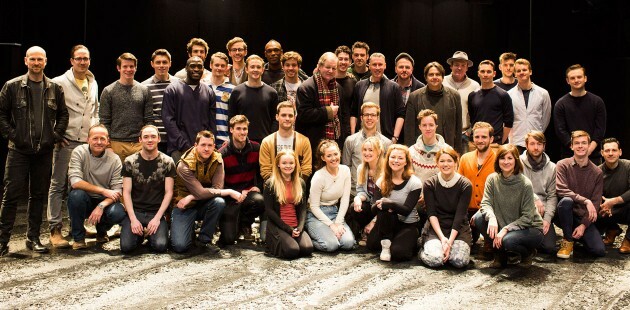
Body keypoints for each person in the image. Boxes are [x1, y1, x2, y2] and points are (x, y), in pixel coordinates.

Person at [0, 46, 69, 255]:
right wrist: (15, 136)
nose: (36, 63)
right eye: (33, 59)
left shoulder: (55, 88)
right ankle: (2, 241)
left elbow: (64, 115)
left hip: (43, 151)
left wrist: (54, 137)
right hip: (18, 151)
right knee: (11, 195)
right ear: (26, 61)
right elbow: (1, 116)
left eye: (40, 59)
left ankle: (33, 238)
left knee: (37, 195)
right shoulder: (11, 86)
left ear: (46, 61)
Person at [47, 44, 98, 248]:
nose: (83, 62)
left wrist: (94, 133)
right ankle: (55, 228)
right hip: (66, 140)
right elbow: (49, 111)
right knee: (58, 184)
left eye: (86, 58)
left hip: (85, 141)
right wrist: (56, 134)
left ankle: (76, 225)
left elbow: (95, 110)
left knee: (76, 186)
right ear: (71, 61)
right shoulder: (59, 82)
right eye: (79, 58)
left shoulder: (92, 81)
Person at [473, 144, 543, 267]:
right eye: (502, 158)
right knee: (479, 218)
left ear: (516, 160)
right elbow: (486, 203)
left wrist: (506, 229)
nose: (506, 162)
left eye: (510, 158)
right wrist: (492, 218)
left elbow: (527, 218)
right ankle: (500, 255)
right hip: (503, 223)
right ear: (498, 160)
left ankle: (527, 254)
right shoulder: (492, 179)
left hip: (529, 228)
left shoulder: (525, 184)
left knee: (508, 241)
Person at [170, 130, 240, 253]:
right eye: (203, 145)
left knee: (219, 202)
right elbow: (202, 193)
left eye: (210, 145)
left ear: (214, 146)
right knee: (180, 246)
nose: (206, 149)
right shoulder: (184, 165)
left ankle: (204, 240)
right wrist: (229, 191)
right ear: (195, 145)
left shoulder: (217, 159)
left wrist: (191, 196)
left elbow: (217, 190)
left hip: (203, 203)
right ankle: (188, 230)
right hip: (184, 206)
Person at [66, 124, 126, 250]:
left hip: (104, 201)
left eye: (102, 139)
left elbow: (117, 191)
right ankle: (78, 238)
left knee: (118, 212)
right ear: (88, 139)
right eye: (95, 138)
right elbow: (75, 182)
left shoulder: (114, 159)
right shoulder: (79, 152)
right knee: (76, 195)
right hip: (85, 198)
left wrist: (101, 205)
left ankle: (101, 232)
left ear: (108, 141)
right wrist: (103, 190)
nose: (99, 142)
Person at [120, 125, 175, 253]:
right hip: (136, 211)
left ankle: (150, 234)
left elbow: (169, 192)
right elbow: (126, 193)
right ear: (140, 140)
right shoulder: (130, 162)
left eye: (153, 137)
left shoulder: (168, 162)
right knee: (127, 247)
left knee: (160, 246)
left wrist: (157, 219)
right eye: (146, 137)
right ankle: (139, 234)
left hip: (156, 212)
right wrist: (133, 219)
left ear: (159, 139)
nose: (149, 140)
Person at [419, 147, 472, 268]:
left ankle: (452, 249)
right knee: (436, 260)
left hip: (458, 229)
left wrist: (450, 241)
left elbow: (460, 216)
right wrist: (443, 239)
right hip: (436, 229)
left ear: (455, 162)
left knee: (459, 261)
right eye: (442, 161)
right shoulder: (429, 183)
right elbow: (431, 213)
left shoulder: (465, 185)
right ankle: (423, 248)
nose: (445, 164)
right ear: (437, 163)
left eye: (449, 161)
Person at [367, 144, 422, 261]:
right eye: (392, 157)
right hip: (388, 222)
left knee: (399, 253)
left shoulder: (414, 183)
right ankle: (386, 244)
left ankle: (411, 241)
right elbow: (373, 209)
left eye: (400, 158)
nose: (396, 161)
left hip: (408, 224)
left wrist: (389, 204)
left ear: (406, 162)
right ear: (388, 160)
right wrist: (382, 205)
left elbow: (406, 210)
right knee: (371, 245)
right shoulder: (381, 180)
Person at [555, 130, 605, 258]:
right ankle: (568, 240)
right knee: (567, 201)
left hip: (582, 216)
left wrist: (583, 225)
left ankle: (577, 235)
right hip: (564, 213)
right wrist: (585, 200)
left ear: (589, 146)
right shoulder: (562, 165)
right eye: (577, 143)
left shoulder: (597, 172)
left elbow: (595, 202)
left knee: (598, 250)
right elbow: (561, 189)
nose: (580, 146)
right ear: (571, 146)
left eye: (584, 143)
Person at [218, 115, 264, 244]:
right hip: (230, 198)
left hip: (249, 195)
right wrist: (238, 191)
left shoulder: (256, 148)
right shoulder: (222, 153)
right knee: (228, 239)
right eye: (238, 129)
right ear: (231, 130)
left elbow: (262, 174)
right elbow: (218, 184)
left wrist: (258, 186)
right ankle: (234, 226)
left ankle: (245, 224)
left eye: (245, 129)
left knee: (260, 201)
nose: (242, 132)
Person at [99, 52, 153, 163]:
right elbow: (104, 121)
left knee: (139, 179)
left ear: (136, 68)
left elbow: (148, 119)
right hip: (116, 144)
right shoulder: (108, 91)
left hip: (139, 144)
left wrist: (147, 141)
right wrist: (108, 145)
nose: (128, 69)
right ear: (118, 68)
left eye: (131, 66)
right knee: (117, 179)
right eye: (125, 66)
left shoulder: (144, 91)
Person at [162, 56, 216, 164]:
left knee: (203, 181)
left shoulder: (209, 91)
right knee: (180, 180)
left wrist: (206, 144)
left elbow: (211, 123)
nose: (196, 69)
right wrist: (183, 145)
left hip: (203, 149)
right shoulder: (172, 89)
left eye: (199, 66)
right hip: (179, 149)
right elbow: (168, 120)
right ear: (186, 68)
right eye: (192, 66)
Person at [306, 140, 355, 252]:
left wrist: (338, 222)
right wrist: (331, 225)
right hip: (316, 215)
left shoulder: (345, 170)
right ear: (323, 158)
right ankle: (309, 239)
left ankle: (328, 234)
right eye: (329, 156)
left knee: (348, 243)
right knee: (331, 245)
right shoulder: (318, 176)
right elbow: (314, 206)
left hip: (334, 212)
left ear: (340, 153)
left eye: (335, 154)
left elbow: (345, 199)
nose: (333, 158)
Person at [264, 150, 313, 259]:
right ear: (278, 164)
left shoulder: (300, 182)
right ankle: (273, 244)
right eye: (284, 163)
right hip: (279, 226)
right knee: (292, 250)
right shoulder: (270, 184)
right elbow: (269, 211)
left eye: (291, 163)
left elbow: (303, 208)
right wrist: (288, 229)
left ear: (295, 164)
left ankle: (293, 239)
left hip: (295, 225)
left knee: (307, 248)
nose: (288, 166)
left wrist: (299, 228)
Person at [404, 62, 462, 153]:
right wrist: (409, 153)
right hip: (421, 150)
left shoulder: (454, 96)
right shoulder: (414, 97)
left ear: (442, 77)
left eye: (438, 74)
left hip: (446, 150)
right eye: (431, 74)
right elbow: (409, 129)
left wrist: (458, 153)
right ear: (426, 77)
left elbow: (458, 127)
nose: (434, 77)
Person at [458, 122, 497, 257]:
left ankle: (489, 240)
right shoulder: (465, 158)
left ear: (491, 139)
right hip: (468, 210)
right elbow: (459, 186)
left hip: (491, 210)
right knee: (466, 244)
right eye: (477, 137)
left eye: (484, 137)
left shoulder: (499, 159)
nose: (480, 140)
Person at [296, 52, 344, 161]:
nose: (330, 71)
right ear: (319, 66)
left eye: (333, 68)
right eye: (327, 67)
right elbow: (303, 115)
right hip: (312, 143)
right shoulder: (306, 87)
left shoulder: (338, 88)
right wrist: (328, 112)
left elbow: (341, 117)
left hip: (333, 142)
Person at [554, 64, 606, 163]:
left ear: (585, 78)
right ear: (567, 81)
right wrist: (577, 149)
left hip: (593, 155)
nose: (576, 80)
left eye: (579, 77)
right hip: (569, 155)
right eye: (572, 78)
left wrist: (588, 150)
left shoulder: (597, 102)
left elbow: (600, 129)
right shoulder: (561, 104)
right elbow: (560, 131)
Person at [350, 53, 405, 143]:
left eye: (380, 64)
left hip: (385, 140)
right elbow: (354, 113)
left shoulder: (394, 87)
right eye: (374, 65)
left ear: (385, 66)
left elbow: (401, 114)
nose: (377, 68)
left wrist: (395, 138)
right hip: (362, 140)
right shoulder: (360, 85)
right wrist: (353, 136)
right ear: (369, 66)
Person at [520, 131, 558, 254]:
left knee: (549, 248)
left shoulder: (552, 167)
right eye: (532, 144)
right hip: (522, 210)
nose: (536, 147)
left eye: (539, 144)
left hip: (542, 213)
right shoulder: (518, 163)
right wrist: (534, 199)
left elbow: (552, 196)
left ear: (544, 146)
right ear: (526, 145)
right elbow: (518, 188)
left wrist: (547, 219)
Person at [342, 102, 391, 197]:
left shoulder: (386, 143)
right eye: (366, 115)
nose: (369, 118)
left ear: (377, 118)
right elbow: (345, 169)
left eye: (373, 115)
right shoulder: (350, 140)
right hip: (354, 193)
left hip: (379, 194)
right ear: (361, 118)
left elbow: (389, 170)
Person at [228, 54, 279, 143]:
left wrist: (270, 138)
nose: (255, 70)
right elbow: (231, 118)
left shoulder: (272, 93)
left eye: (258, 67)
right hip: (242, 141)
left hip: (265, 142)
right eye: (252, 67)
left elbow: (275, 119)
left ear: (262, 70)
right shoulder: (236, 92)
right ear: (246, 69)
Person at [259, 101, 312, 181]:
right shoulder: (267, 142)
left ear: (294, 118)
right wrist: (279, 185)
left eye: (290, 116)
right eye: (283, 115)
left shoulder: (304, 141)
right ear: (277, 117)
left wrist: (293, 184)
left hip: (297, 187)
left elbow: (306, 169)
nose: (287, 118)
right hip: (273, 187)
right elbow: (265, 171)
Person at [347, 136, 386, 244]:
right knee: (355, 206)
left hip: (384, 209)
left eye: (370, 150)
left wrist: (374, 221)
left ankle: (373, 228)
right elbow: (361, 190)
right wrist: (358, 198)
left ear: (378, 152)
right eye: (365, 150)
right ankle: (364, 229)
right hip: (371, 205)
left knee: (373, 244)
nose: (367, 153)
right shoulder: (361, 168)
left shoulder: (386, 169)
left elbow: (387, 198)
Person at [507, 58, 551, 152]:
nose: (521, 72)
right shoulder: (509, 95)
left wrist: (538, 132)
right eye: (518, 71)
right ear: (514, 74)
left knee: (537, 167)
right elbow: (507, 119)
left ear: (530, 72)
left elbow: (546, 117)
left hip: (536, 142)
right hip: (516, 141)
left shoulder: (543, 93)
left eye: (524, 70)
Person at [142, 48, 179, 153]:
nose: (161, 65)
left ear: (170, 64)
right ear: (152, 64)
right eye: (158, 62)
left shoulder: (179, 84)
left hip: (175, 138)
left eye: (164, 62)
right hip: (155, 140)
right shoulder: (144, 86)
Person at [468, 60, 513, 146]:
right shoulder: (472, 95)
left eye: (489, 72)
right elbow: (472, 120)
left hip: (496, 143)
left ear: (494, 73)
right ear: (478, 73)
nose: (485, 74)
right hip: (477, 143)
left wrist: (500, 142)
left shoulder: (503, 95)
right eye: (482, 71)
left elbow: (508, 122)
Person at [597, 138, 630, 253]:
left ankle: (628, 239)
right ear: (602, 153)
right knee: (591, 210)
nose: (610, 153)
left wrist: (614, 201)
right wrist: (604, 205)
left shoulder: (628, 166)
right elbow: (596, 194)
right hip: (607, 210)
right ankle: (612, 229)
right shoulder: (597, 172)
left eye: (614, 150)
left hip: (626, 207)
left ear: (620, 152)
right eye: (607, 150)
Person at [443, 51, 480, 149]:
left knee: (464, 163)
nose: (459, 68)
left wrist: (470, 131)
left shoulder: (475, 85)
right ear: (451, 66)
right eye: (456, 65)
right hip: (443, 134)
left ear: (467, 67)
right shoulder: (442, 82)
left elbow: (478, 111)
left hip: (464, 134)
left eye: (463, 65)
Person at [409, 109, 451, 183]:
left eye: (431, 125)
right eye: (424, 125)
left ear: (436, 126)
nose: (428, 128)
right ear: (419, 127)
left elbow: (452, 177)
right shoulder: (411, 151)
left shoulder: (448, 150)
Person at [208, 52, 235, 145]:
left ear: (226, 67)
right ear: (211, 65)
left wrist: (230, 138)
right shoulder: (202, 86)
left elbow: (233, 116)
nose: (219, 68)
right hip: (205, 138)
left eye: (222, 65)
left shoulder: (232, 89)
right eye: (216, 65)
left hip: (224, 139)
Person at [334, 45, 356, 143]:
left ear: (350, 62)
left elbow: (354, 109)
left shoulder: (353, 81)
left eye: (346, 59)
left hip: (347, 129)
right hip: (332, 127)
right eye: (340, 59)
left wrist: (352, 132)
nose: (343, 62)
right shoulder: (328, 80)